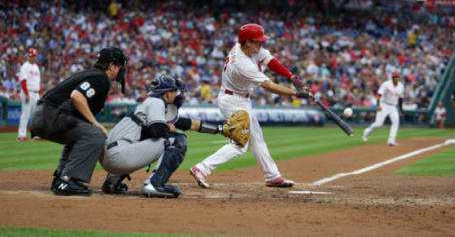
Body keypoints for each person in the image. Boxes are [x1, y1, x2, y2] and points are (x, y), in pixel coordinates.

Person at [189, 23, 310, 189]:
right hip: (233, 101)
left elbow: (270, 61)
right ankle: (201, 168)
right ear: (247, 42)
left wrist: (291, 76)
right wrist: (295, 94)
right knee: (240, 145)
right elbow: (268, 85)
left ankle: (272, 176)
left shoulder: (248, 48)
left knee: (257, 139)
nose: (261, 44)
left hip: (240, 99)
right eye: (257, 41)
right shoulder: (242, 63)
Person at [100, 74, 228, 198]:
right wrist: (167, 127)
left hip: (110, 156)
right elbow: (157, 131)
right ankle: (155, 184)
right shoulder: (157, 102)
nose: (177, 95)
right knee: (177, 139)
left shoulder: (149, 105)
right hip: (120, 156)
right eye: (174, 91)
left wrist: (221, 129)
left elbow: (190, 124)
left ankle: (113, 181)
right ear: (167, 93)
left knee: (151, 138)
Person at [30, 47, 128, 196]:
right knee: (95, 134)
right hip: (49, 114)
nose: (122, 70)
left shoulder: (94, 75)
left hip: (44, 114)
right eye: (120, 65)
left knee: (83, 133)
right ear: (111, 65)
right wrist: (95, 123)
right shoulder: (101, 78)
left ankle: (61, 178)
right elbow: (77, 96)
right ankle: (68, 181)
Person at [362, 71, 404, 146]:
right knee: (379, 124)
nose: (396, 78)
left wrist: (400, 109)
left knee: (396, 122)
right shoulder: (386, 84)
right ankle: (367, 132)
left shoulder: (401, 86)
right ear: (392, 77)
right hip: (384, 104)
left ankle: (391, 141)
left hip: (393, 106)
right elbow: (378, 95)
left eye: (397, 77)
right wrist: (378, 105)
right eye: (394, 77)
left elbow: (400, 98)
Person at [17, 48, 41, 141]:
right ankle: (21, 135)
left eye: (35, 56)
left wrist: (39, 93)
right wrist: (26, 94)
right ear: (29, 56)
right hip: (28, 92)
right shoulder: (25, 66)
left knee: (35, 115)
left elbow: (38, 82)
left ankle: (35, 134)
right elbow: (23, 81)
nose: (34, 57)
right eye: (32, 56)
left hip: (35, 93)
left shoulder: (36, 67)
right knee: (25, 114)